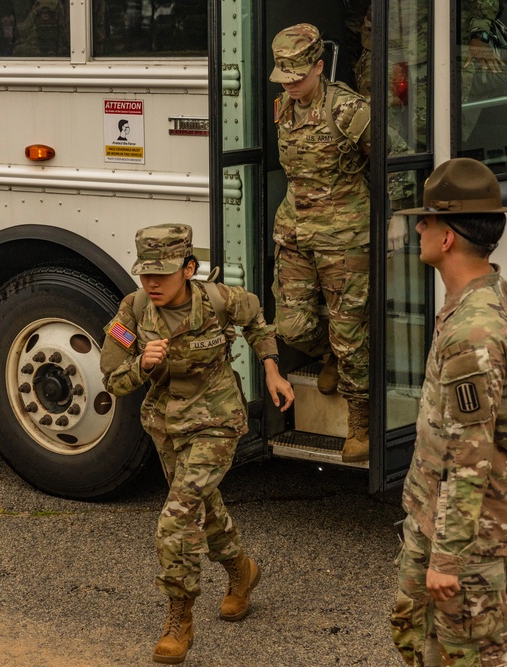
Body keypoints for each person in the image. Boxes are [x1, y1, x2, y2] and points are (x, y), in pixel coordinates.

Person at [100, 224, 294, 665]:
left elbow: (257, 321)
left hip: (217, 420)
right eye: (145, 273)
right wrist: (142, 365)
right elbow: (113, 379)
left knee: (177, 516)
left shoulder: (221, 300)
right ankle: (241, 571)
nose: (152, 283)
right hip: (166, 424)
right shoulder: (131, 312)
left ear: (189, 269)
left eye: (163, 274)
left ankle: (179, 617)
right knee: (203, 507)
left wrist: (271, 368)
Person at [389, 158, 507, 666]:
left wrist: (448, 559)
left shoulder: (473, 332)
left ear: (448, 237)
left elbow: (470, 455)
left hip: (468, 539)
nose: (418, 226)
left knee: (464, 655)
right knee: (414, 635)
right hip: (438, 518)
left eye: (426, 219)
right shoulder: (485, 294)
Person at [269, 23, 372, 463]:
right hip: (295, 231)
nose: (291, 83)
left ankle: (360, 424)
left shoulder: (349, 110)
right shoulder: (283, 109)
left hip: (344, 236)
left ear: (318, 66)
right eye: (284, 76)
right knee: (291, 326)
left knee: (351, 333)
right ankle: (327, 353)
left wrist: (396, 221)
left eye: (299, 75)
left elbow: (393, 161)